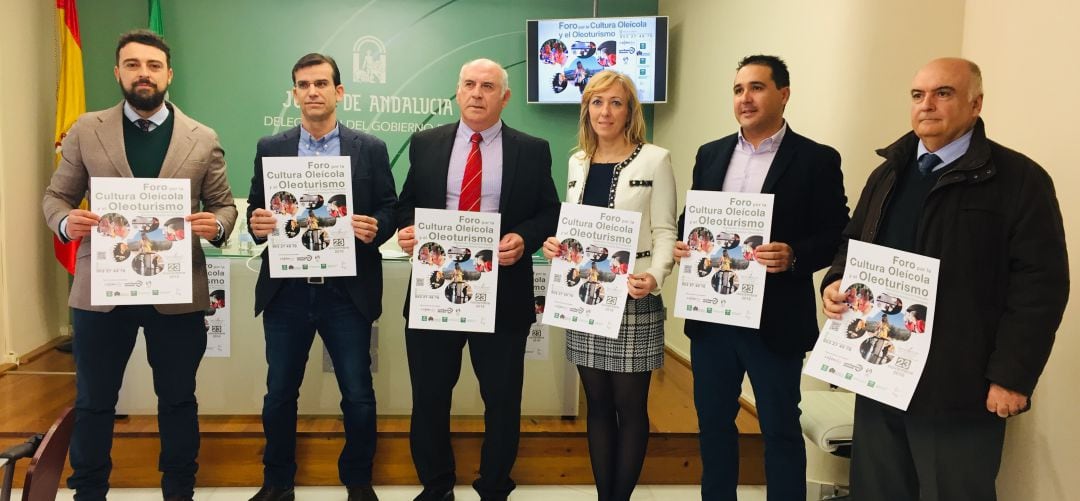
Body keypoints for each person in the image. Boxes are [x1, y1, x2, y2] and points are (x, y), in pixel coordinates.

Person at [820, 57, 1068, 500]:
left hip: (959, 386)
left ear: (975, 103)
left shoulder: (1018, 180)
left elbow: (1042, 286)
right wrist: (836, 282)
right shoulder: (889, 173)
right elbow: (852, 243)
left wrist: (1012, 376)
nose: (927, 105)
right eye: (918, 95)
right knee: (878, 491)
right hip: (881, 376)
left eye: (943, 93)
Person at [41, 29, 237, 501]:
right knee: (94, 402)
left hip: (175, 292)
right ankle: (89, 492)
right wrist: (68, 222)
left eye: (153, 65)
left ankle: (179, 491)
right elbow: (56, 196)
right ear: (118, 72)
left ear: (168, 74)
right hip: (101, 292)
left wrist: (219, 226)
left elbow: (224, 206)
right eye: (133, 64)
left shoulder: (203, 137)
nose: (143, 73)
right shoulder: (87, 129)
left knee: (177, 400)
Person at [672, 55, 849, 501]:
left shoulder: (816, 159)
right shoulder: (711, 154)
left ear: (783, 94)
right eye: (737, 90)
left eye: (756, 87)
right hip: (712, 315)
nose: (745, 98)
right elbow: (693, 216)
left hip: (775, 319)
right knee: (713, 424)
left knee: (779, 429)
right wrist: (682, 238)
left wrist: (795, 255)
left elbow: (837, 233)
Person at [395, 58, 560, 501]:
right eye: (469, 84)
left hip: (502, 294)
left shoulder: (532, 148)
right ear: (457, 90)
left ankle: (494, 485)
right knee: (429, 397)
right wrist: (407, 230)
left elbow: (550, 211)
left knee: (502, 400)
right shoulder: (426, 143)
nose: (477, 93)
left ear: (503, 97)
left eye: (488, 86)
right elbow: (407, 204)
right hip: (435, 292)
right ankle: (436, 485)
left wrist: (524, 238)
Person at [246, 53, 396, 501]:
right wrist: (257, 224)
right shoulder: (270, 147)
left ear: (339, 92)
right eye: (304, 84)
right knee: (278, 394)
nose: (313, 91)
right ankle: (277, 483)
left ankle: (358, 481)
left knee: (357, 392)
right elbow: (258, 208)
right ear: (294, 93)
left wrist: (377, 227)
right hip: (287, 291)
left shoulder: (370, 148)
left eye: (322, 83)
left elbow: (389, 207)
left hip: (346, 293)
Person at [540, 70, 677, 501]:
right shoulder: (576, 161)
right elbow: (577, 228)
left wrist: (655, 276)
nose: (605, 111)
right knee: (596, 404)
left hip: (634, 298)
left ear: (630, 110)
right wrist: (557, 247)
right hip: (586, 298)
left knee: (629, 406)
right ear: (586, 109)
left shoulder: (655, 159)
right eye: (597, 102)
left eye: (616, 102)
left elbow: (666, 231)